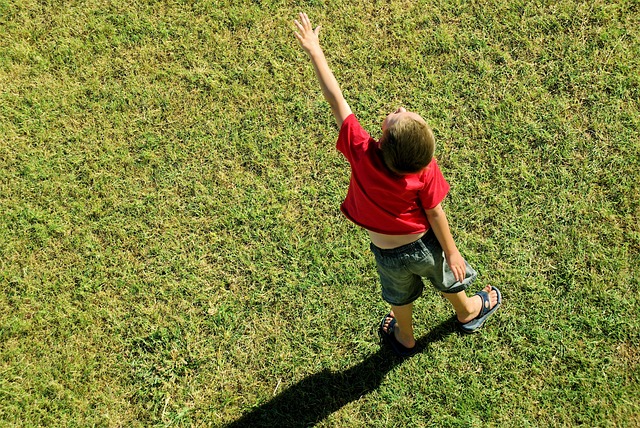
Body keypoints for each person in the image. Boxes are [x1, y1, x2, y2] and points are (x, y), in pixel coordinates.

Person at [293, 13, 501, 357]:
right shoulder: (425, 170)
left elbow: (336, 99)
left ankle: (405, 337)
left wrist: (315, 51)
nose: (401, 108)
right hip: (423, 246)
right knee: (445, 279)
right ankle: (468, 312)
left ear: (385, 135)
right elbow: (435, 213)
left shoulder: (362, 151)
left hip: (385, 252)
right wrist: (451, 251)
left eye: (401, 114)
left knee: (398, 296)